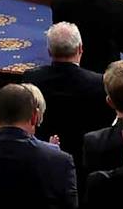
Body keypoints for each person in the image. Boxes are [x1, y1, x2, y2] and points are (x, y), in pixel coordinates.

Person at [29, 22, 112, 154]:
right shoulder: (99, 83)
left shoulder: (32, 79)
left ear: (49, 51)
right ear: (80, 49)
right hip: (86, 157)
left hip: (41, 154)